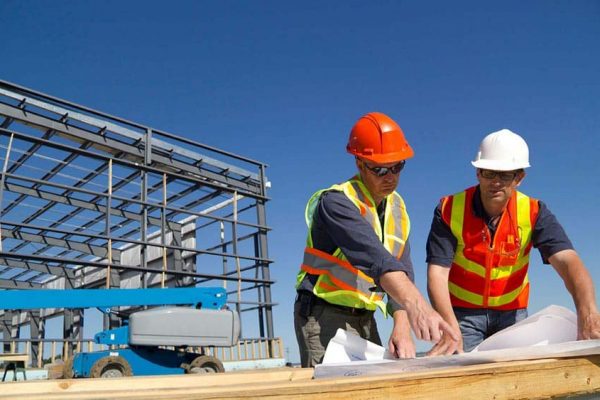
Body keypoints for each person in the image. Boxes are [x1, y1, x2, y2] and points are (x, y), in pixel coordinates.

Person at [294, 112, 458, 367]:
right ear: (360, 163)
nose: (390, 176)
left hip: (365, 316)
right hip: (323, 314)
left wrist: (402, 323)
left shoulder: (397, 207)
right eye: (380, 169)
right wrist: (419, 307)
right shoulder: (336, 202)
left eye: (397, 166)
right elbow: (377, 259)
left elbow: (401, 267)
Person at [426, 129, 600, 355]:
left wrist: (588, 313)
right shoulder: (449, 209)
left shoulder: (534, 212)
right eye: (489, 173)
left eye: (505, 175)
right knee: (457, 373)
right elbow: (437, 274)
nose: (496, 182)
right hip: (461, 314)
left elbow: (568, 262)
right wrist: (449, 326)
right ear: (478, 172)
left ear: (519, 178)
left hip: (512, 315)